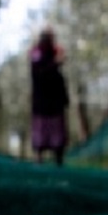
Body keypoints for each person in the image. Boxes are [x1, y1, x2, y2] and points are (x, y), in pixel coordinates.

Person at [29, 26, 70, 166]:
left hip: (55, 104)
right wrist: (56, 63)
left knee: (58, 142)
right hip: (42, 104)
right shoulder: (37, 54)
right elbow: (39, 75)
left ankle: (59, 165)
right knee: (40, 139)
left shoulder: (55, 52)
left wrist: (65, 98)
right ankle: (38, 163)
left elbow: (58, 77)